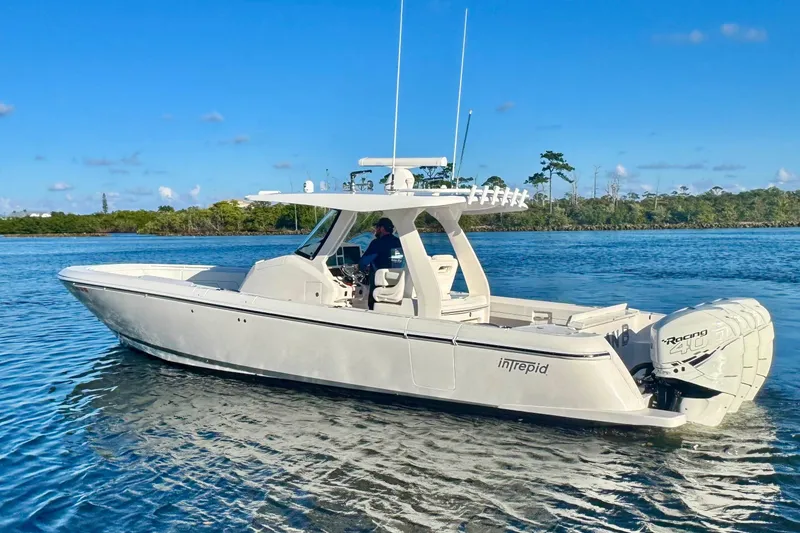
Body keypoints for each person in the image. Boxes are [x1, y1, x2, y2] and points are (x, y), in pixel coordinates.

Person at [358, 217, 402, 310]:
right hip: (397, 285)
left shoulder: (377, 243)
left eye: (377, 227)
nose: (375, 230)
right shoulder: (398, 242)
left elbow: (363, 263)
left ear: (382, 228)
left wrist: (361, 269)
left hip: (379, 286)